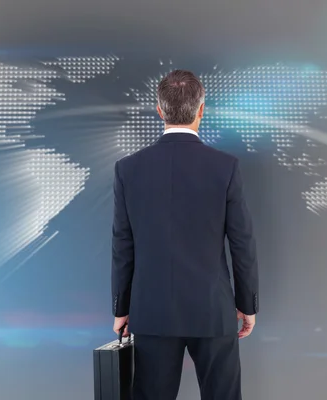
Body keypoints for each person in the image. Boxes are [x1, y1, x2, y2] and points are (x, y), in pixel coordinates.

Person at [110, 69, 259, 400]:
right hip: (213, 310)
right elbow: (242, 243)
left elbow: (123, 245)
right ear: (201, 110)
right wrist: (247, 303)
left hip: (152, 312)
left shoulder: (128, 169)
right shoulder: (226, 167)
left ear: (160, 110)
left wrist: (121, 308)